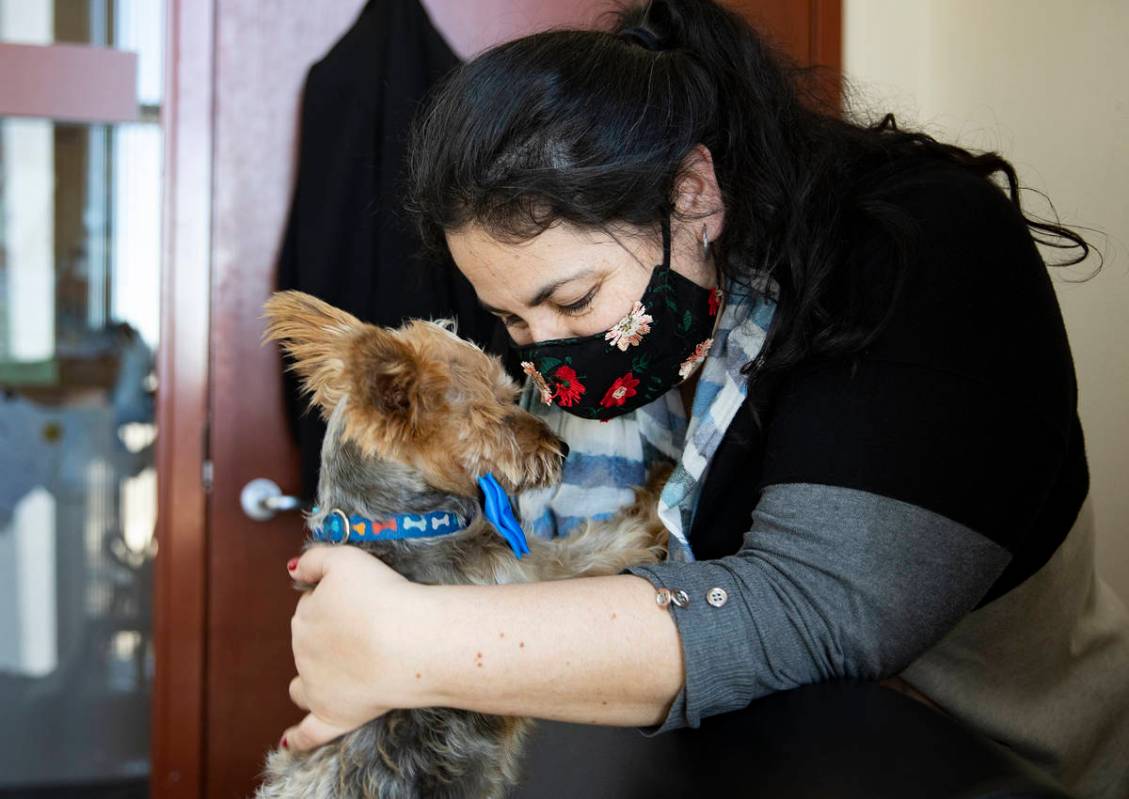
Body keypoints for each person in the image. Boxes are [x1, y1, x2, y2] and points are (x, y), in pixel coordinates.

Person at [278, 1, 1129, 796]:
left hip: (996, 765)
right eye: (510, 318)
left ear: (692, 193)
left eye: (573, 303)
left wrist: (407, 641)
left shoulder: (911, 250)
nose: (542, 355)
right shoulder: (641, 319)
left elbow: (818, 609)